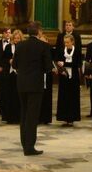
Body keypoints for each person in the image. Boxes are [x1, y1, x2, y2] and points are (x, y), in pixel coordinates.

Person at [12, 22, 53, 156]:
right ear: (39, 32)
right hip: (35, 85)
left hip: (22, 84)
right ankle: (29, 147)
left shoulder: (20, 45)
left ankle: (25, 143)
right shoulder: (44, 46)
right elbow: (48, 67)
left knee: (23, 114)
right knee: (32, 116)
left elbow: (15, 64)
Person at [56, 34, 82, 126]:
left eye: (67, 42)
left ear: (72, 42)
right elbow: (58, 63)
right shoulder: (61, 51)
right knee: (64, 97)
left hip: (74, 77)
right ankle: (64, 117)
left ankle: (72, 117)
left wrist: (65, 63)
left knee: (73, 97)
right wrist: (60, 68)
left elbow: (77, 64)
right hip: (64, 77)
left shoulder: (77, 51)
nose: (66, 44)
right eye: (65, 42)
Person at [4, 29, 23, 124]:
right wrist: (9, 61)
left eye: (18, 38)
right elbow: (4, 58)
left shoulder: (23, 47)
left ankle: (19, 116)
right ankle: (10, 117)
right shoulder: (8, 47)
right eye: (15, 38)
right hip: (10, 73)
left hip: (20, 74)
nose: (16, 40)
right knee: (10, 94)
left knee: (19, 95)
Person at [0, 28, 12, 118]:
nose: (8, 34)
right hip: (0, 70)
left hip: (11, 69)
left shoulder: (13, 44)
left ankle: (8, 107)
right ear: (2, 34)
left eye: (9, 32)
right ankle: (1, 108)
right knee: (1, 90)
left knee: (10, 89)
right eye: (6, 33)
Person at [38, 30, 54, 125]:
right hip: (39, 76)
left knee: (47, 96)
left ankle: (46, 117)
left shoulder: (50, 50)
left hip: (47, 75)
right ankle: (39, 117)